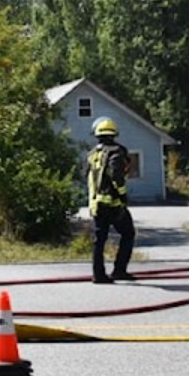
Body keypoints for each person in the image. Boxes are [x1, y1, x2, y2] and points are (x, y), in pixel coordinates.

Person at [86, 118, 135, 284]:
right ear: (114, 133)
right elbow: (117, 176)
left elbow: (89, 178)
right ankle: (119, 270)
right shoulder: (117, 151)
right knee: (128, 234)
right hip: (113, 204)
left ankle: (98, 275)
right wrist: (123, 195)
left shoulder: (93, 153)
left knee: (99, 240)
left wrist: (92, 201)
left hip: (97, 204)